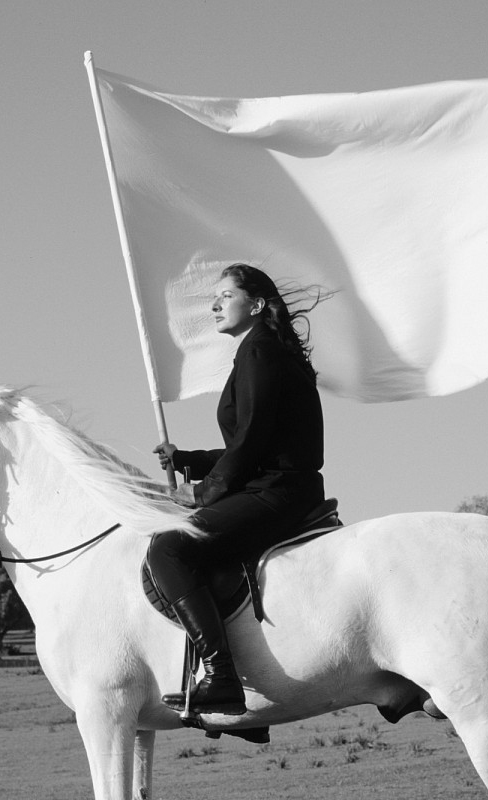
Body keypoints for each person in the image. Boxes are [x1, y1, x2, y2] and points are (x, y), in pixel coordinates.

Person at [148, 263, 326, 716]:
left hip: (278, 492)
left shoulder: (260, 352)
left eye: (226, 296)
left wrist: (200, 493)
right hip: (278, 483)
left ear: (258, 304)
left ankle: (221, 675)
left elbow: (249, 444)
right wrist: (188, 461)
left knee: (168, 549)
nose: (214, 305)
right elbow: (253, 443)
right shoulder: (262, 349)